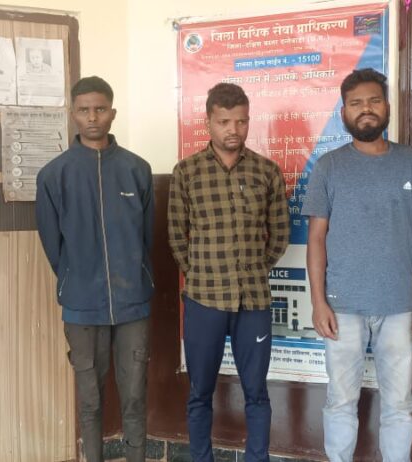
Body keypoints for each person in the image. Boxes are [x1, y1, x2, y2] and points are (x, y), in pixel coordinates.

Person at [302, 68, 412, 462]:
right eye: (356, 103)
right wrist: (318, 302)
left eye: (374, 101)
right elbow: (316, 239)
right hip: (341, 306)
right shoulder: (329, 167)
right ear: (344, 113)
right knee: (340, 400)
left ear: (387, 107)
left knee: (399, 403)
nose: (366, 109)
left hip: (398, 306)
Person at [168, 82, 290, 462]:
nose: (233, 130)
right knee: (199, 392)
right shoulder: (187, 172)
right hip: (203, 300)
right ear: (208, 122)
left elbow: (279, 234)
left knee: (257, 392)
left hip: (253, 301)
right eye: (224, 122)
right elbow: (176, 235)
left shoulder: (266, 171)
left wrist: (255, 268)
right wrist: (200, 273)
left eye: (241, 121)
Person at [35, 75, 154, 462]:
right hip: (82, 305)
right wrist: (76, 280)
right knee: (90, 401)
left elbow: (146, 237)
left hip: (133, 303)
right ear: (72, 114)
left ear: (113, 113)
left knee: (135, 396)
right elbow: (53, 246)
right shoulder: (54, 175)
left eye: (100, 109)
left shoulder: (137, 169)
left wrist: (135, 277)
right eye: (84, 110)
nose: (92, 117)